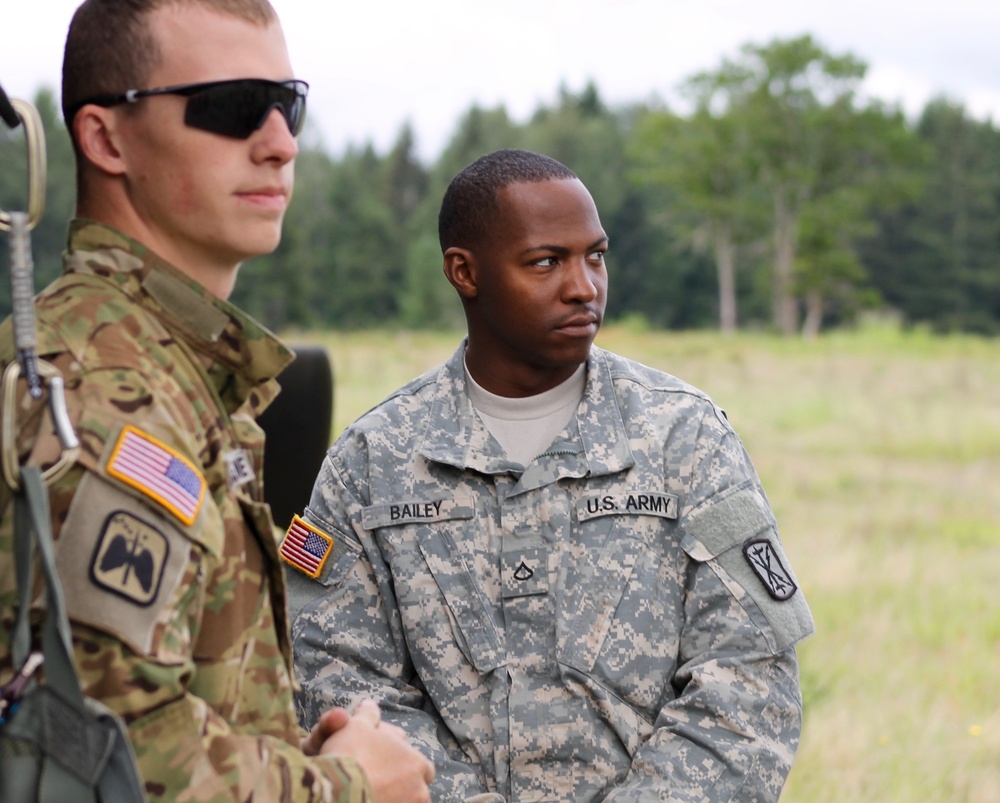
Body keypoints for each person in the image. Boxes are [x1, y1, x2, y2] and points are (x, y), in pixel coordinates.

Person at [0, 1, 435, 801]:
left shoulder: (180, 368)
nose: (279, 142)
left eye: (287, 104)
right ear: (105, 138)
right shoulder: (109, 393)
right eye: (233, 107)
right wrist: (347, 786)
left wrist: (298, 755)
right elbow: (111, 756)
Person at [285, 148, 815, 801]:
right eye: (546, 261)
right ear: (464, 272)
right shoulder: (373, 460)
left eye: (596, 255)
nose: (584, 285)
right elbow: (338, 680)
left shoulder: (686, 436)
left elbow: (749, 680)